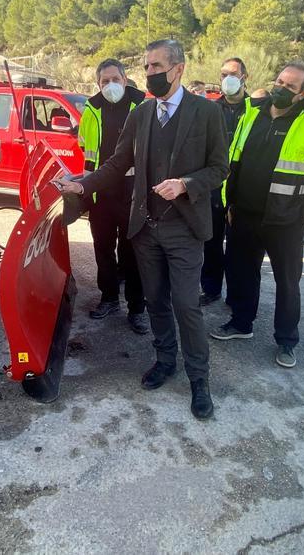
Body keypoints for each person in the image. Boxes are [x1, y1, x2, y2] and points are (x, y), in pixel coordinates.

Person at [54, 39, 230, 419]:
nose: (149, 73)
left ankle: (199, 379)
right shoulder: (142, 114)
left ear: (178, 68)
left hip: (185, 229)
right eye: (147, 67)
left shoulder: (206, 113)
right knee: (155, 303)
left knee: (186, 304)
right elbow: (117, 164)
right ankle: (165, 362)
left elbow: (220, 168)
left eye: (156, 66)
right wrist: (82, 185)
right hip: (146, 229)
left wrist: (186, 184)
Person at [211, 62, 304, 369]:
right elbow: (234, 159)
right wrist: (231, 205)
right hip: (245, 214)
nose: (281, 87)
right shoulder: (253, 112)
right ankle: (242, 323)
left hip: (285, 221)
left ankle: (286, 340)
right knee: (242, 272)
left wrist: (303, 215)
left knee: (287, 282)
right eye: (280, 81)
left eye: (290, 86)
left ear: (302, 93)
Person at [78, 59, 149, 333]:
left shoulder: (142, 106)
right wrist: (86, 192)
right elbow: (86, 151)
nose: (110, 86)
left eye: (115, 80)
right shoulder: (91, 110)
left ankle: (136, 309)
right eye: (104, 81)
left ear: (125, 79)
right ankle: (108, 299)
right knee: (103, 251)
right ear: (98, 84)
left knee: (133, 254)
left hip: (132, 194)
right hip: (102, 195)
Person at [199, 57, 253, 306]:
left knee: (239, 248)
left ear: (245, 77)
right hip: (214, 188)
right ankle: (211, 289)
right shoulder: (211, 109)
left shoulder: (257, 111)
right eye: (223, 74)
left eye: (233, 73)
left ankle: (236, 295)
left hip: (242, 190)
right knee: (211, 242)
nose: (227, 79)